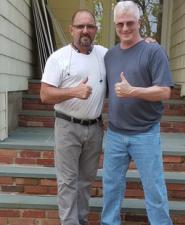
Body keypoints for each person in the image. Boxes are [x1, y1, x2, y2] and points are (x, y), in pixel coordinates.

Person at [101, 1, 174, 225]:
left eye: (129, 23)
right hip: (114, 134)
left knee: (154, 189)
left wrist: (133, 91)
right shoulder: (109, 56)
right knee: (111, 189)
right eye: (120, 24)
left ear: (139, 22)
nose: (124, 29)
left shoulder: (153, 51)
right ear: (114, 24)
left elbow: (164, 91)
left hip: (145, 133)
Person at [40, 9, 107, 225]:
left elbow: (128, 52)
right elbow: (45, 94)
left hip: (95, 129)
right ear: (71, 30)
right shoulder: (57, 58)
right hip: (67, 127)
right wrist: (73, 92)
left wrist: (148, 43)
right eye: (80, 26)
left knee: (86, 181)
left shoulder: (104, 55)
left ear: (96, 30)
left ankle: (81, 221)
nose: (85, 31)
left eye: (90, 26)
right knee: (67, 182)